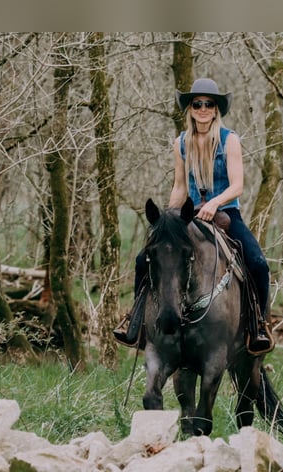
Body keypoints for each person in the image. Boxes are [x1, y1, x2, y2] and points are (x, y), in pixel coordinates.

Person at [114, 77, 274, 355]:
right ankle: (135, 321)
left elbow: (237, 185)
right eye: (197, 104)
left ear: (216, 110)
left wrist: (214, 203)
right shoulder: (182, 143)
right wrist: (168, 217)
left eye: (208, 104)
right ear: (189, 109)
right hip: (189, 213)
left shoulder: (230, 140)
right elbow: (179, 185)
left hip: (225, 213)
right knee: (144, 258)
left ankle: (258, 325)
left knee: (258, 263)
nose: (202, 108)